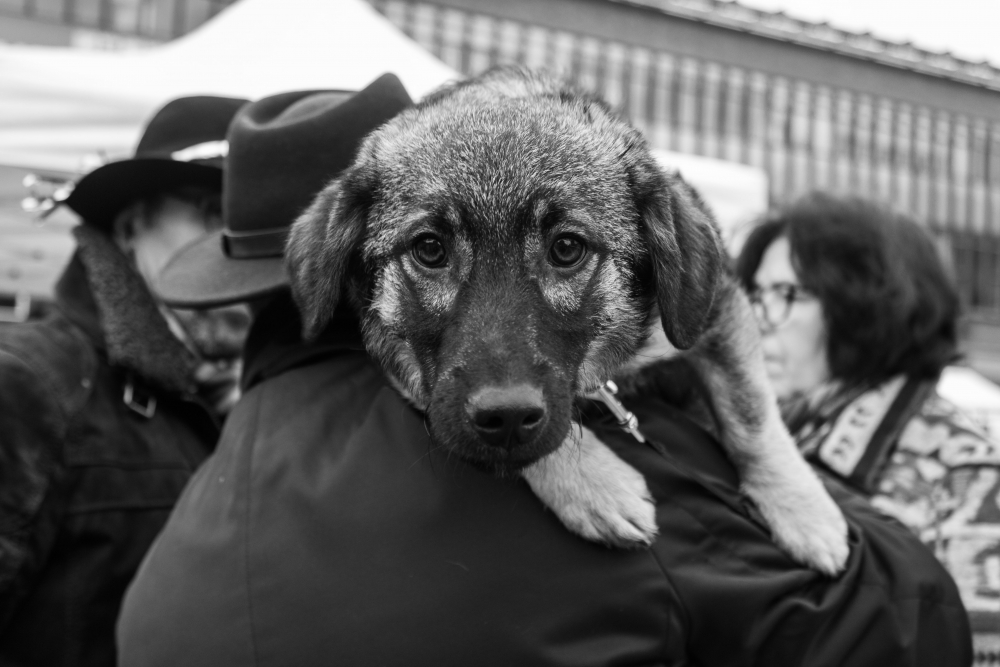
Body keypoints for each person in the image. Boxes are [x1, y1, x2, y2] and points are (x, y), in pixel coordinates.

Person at [117, 81, 972, 666]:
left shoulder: (183, 529)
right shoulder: (643, 487)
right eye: (429, 248)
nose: (500, 381)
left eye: (565, 250)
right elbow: (911, 621)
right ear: (345, 266)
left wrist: (765, 453)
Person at [0, 95, 251, 667]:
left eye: (261, 223)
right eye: (214, 212)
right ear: (132, 226)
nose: (243, 248)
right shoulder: (27, 385)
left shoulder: (242, 409)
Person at [734, 192, 998, 663]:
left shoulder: (966, 471)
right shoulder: (762, 432)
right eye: (755, 294)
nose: (757, 318)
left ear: (864, 304)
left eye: (787, 294)